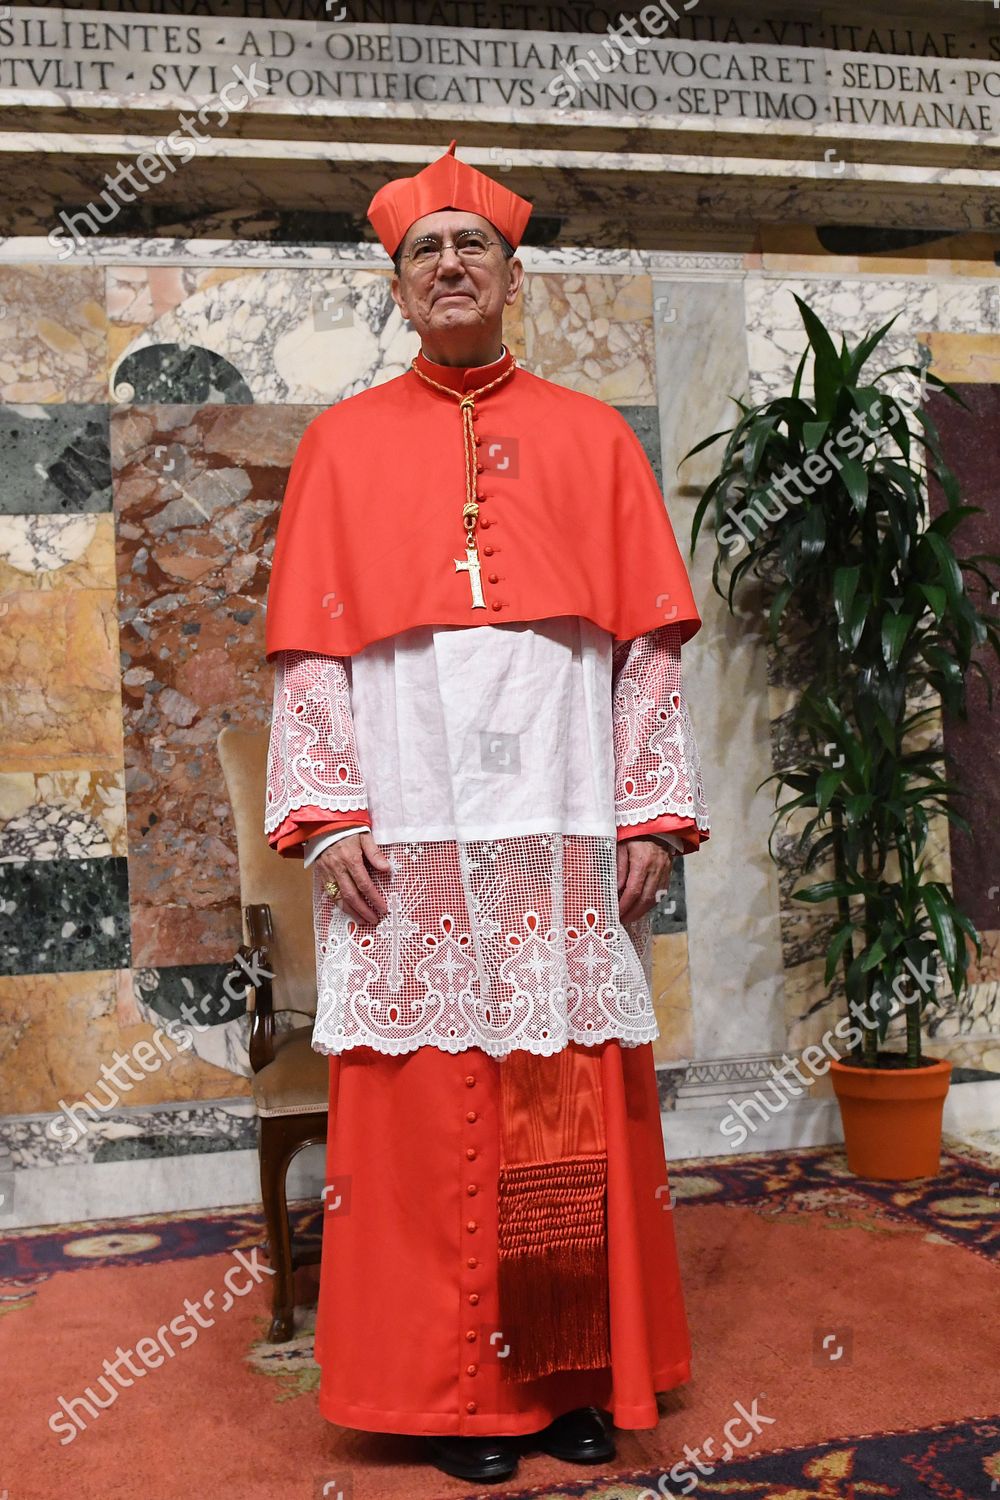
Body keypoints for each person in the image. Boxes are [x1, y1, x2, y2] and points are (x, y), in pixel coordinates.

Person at [263, 140, 710, 1485]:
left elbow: (649, 650)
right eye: (423, 253)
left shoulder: (590, 437)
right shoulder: (341, 445)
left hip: (556, 839)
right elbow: (310, 657)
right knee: (416, 1111)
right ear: (397, 289)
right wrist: (330, 813)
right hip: (407, 843)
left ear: (514, 276)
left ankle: (568, 1384)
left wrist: (646, 814)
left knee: (563, 1099)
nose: (449, 268)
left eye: (473, 248)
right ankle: (441, 1398)